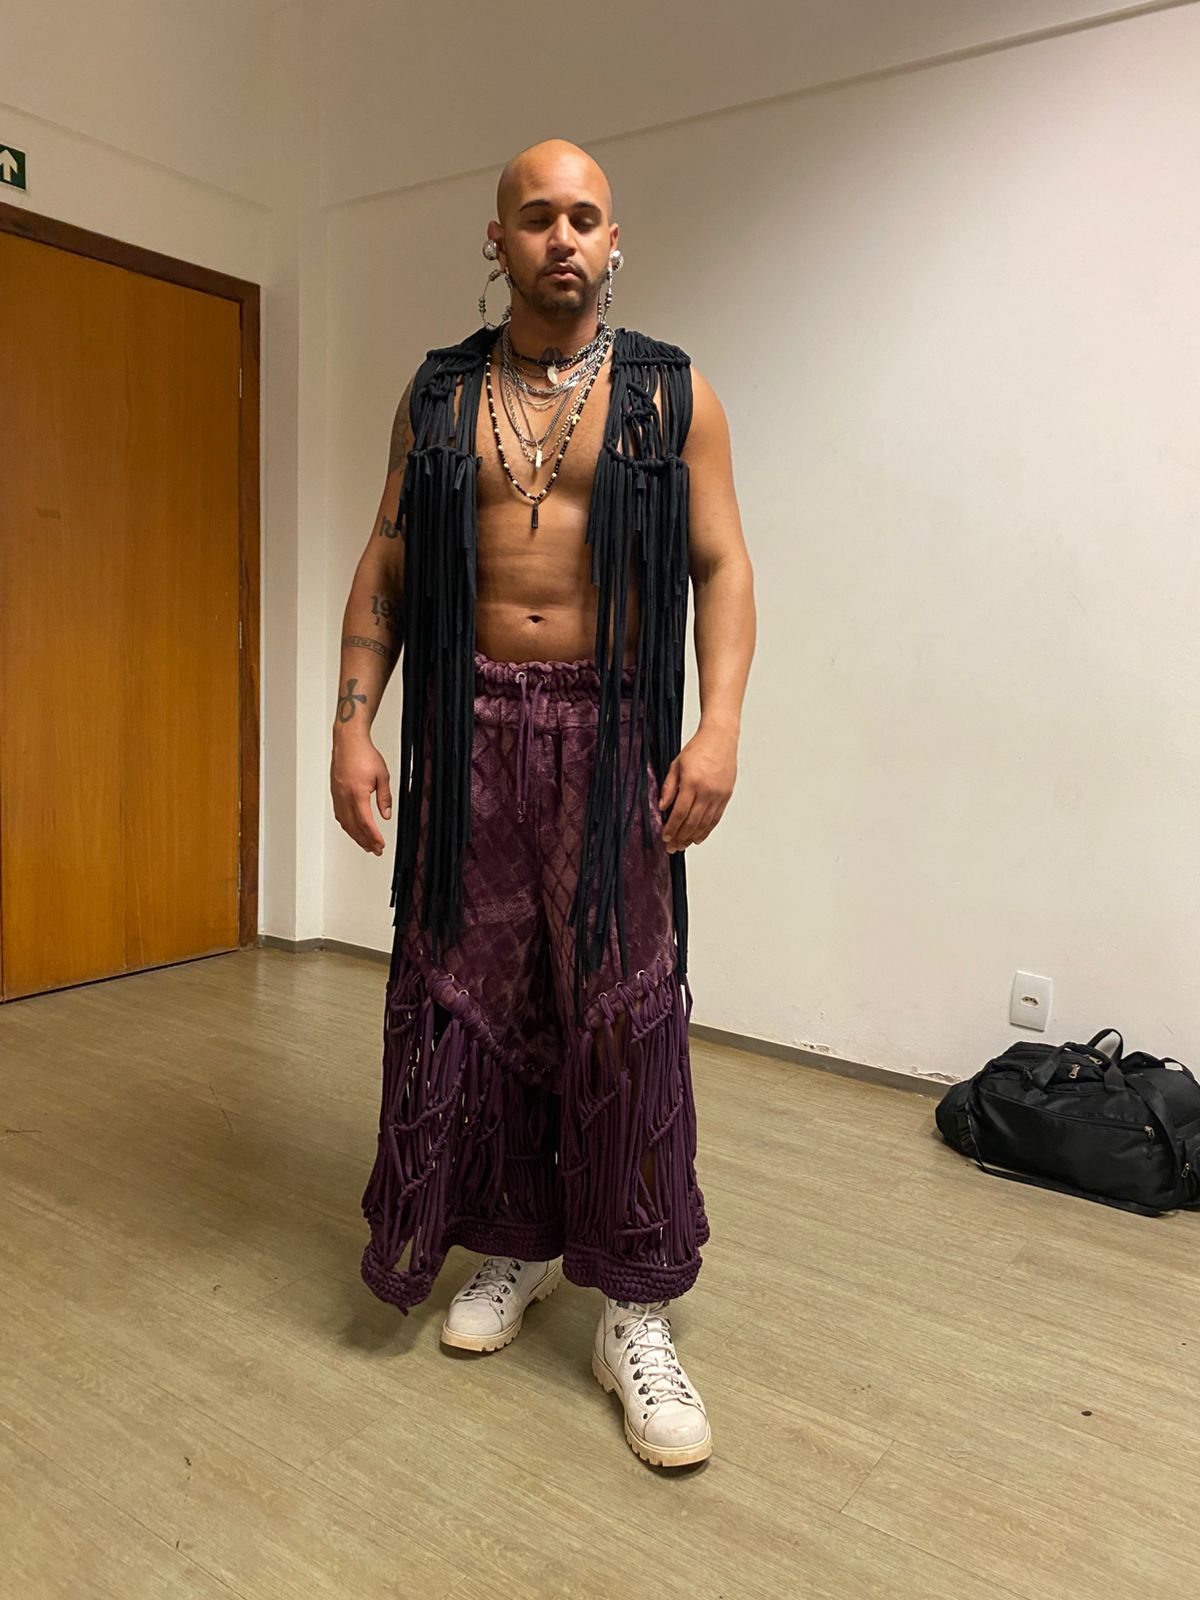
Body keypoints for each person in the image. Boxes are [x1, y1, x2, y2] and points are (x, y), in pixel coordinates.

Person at [330, 138, 755, 1469]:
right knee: (483, 999)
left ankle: (634, 1306)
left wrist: (719, 727)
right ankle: (513, 1243)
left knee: (620, 1008)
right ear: (498, 241)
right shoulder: (440, 394)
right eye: (536, 217)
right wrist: (352, 724)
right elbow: (388, 564)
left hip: (613, 735)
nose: (561, 237)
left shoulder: (671, 395)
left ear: (614, 243)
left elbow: (723, 565)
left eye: (584, 218)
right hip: (467, 738)